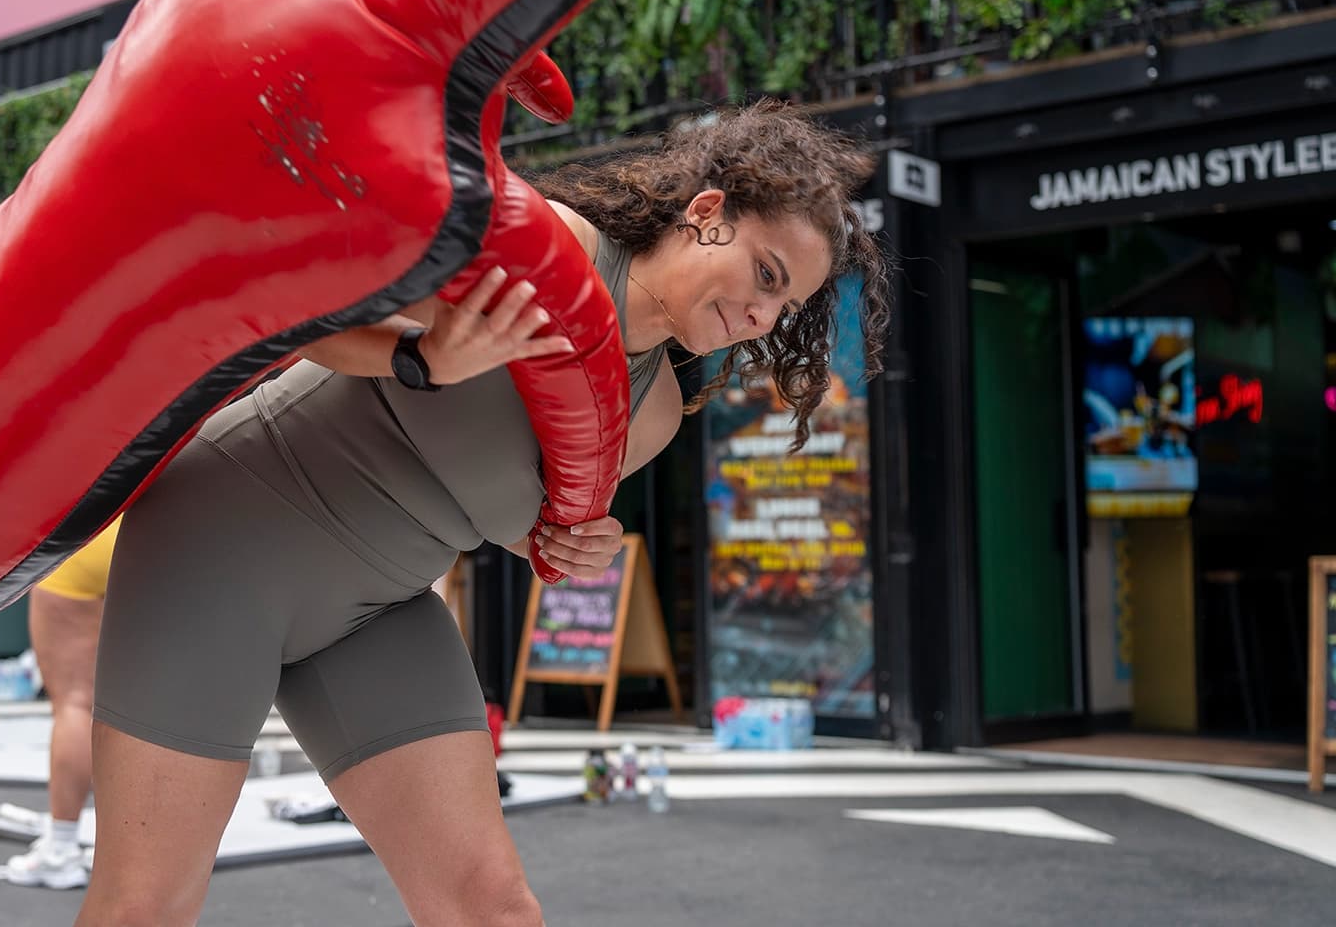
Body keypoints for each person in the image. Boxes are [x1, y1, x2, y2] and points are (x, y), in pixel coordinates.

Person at [78, 101, 891, 926]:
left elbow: (500, 506)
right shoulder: (555, 244)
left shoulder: (652, 415)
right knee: (142, 911)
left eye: (786, 308)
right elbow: (290, 306)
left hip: (376, 609)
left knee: (493, 911)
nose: (763, 318)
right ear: (707, 214)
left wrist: (570, 543)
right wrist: (417, 355)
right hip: (227, 537)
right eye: (766, 275)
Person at [4, 517, 120, 889]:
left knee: (75, 704)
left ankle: (61, 849)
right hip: (158, 535)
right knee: (155, 708)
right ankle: (151, 852)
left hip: (86, 537)